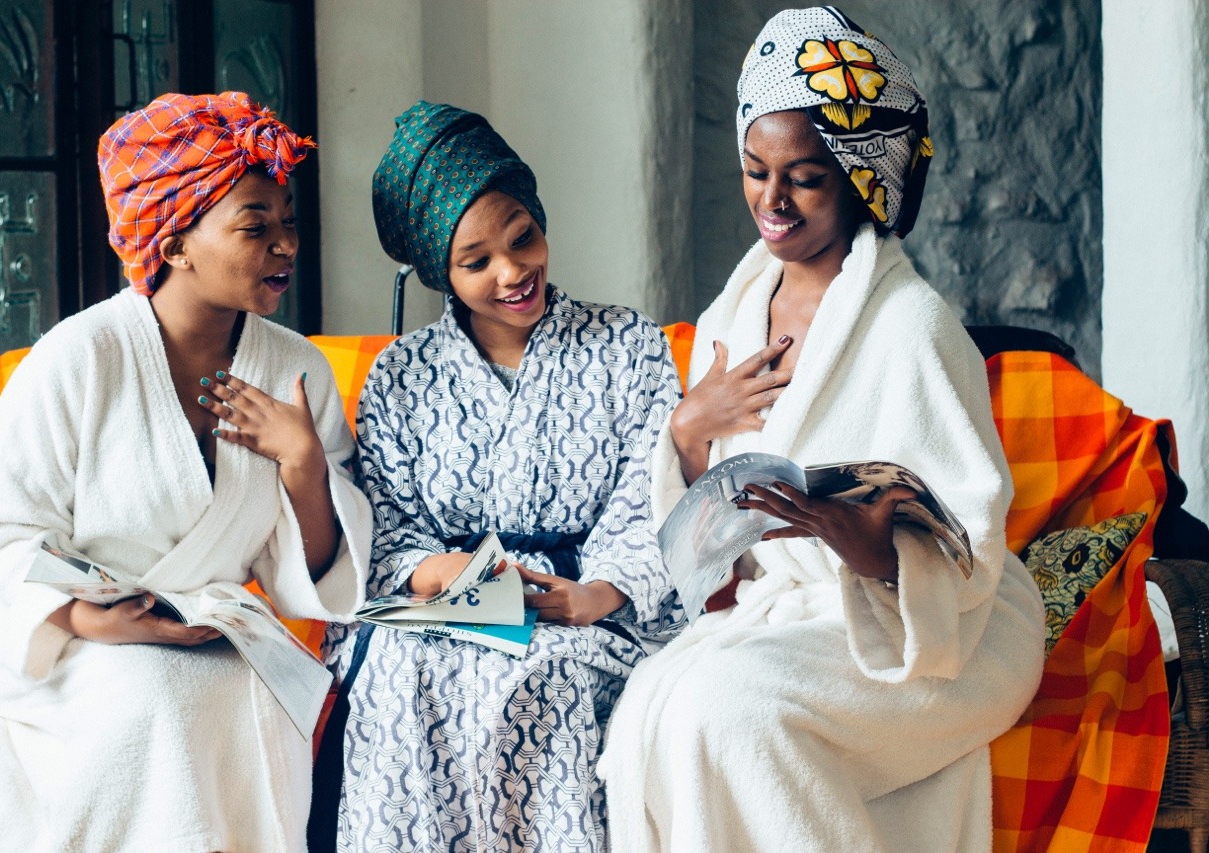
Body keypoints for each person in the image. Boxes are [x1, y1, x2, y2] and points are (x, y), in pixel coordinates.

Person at [598, 8, 1045, 852]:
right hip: (788, 612)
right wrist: (690, 432)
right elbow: (700, 548)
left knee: (728, 711)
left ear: (860, 178)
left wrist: (866, 546)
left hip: (938, 634)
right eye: (754, 169)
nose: (772, 199)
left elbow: (971, 547)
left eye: (803, 176)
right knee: (654, 711)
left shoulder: (912, 325)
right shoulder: (734, 311)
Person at [0, 91, 372, 852]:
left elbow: (317, 578)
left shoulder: (293, 370)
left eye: (288, 221)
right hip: (51, 632)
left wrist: (302, 463)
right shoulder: (80, 357)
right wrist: (88, 616)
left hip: (206, 627)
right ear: (173, 244)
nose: (286, 244)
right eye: (255, 226)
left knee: (256, 700)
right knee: (152, 702)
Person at [322, 101, 683, 852]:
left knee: (545, 682)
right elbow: (385, 531)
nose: (514, 272)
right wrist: (438, 572)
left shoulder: (630, 345)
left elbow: (649, 498)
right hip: (446, 602)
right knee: (397, 674)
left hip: (588, 608)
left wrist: (596, 593)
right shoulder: (399, 376)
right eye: (477, 261)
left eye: (524, 238)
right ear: (439, 273)